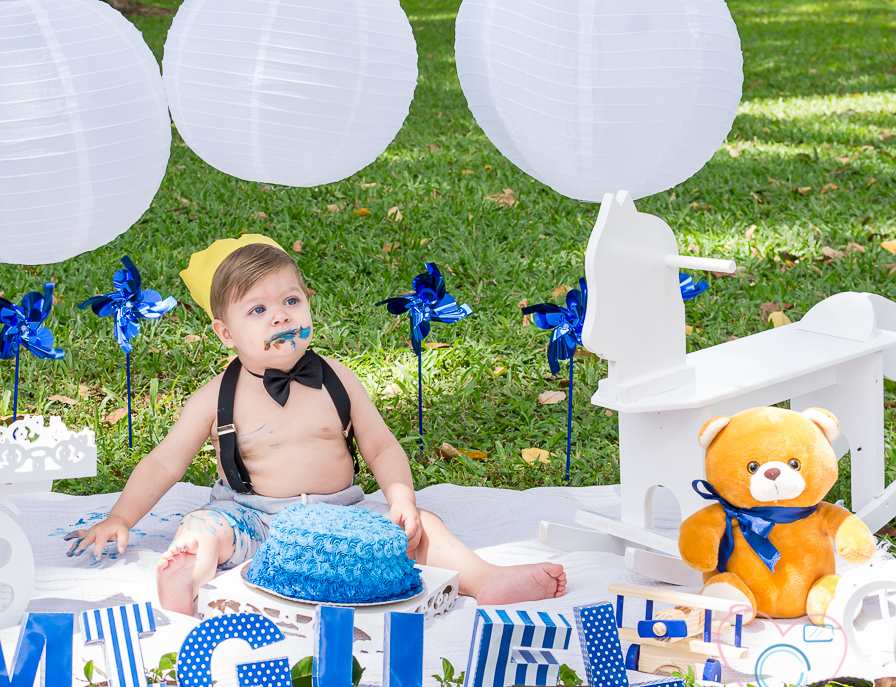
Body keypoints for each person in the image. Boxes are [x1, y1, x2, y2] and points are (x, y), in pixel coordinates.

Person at [67, 234, 567, 615]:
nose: (280, 317)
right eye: (258, 309)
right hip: (256, 520)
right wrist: (120, 518)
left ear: (308, 302)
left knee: (423, 528)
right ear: (225, 331)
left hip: (341, 515)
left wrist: (400, 500)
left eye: (291, 302)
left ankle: (485, 578)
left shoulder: (337, 380)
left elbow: (382, 447)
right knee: (203, 528)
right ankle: (187, 580)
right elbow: (163, 462)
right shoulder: (216, 396)